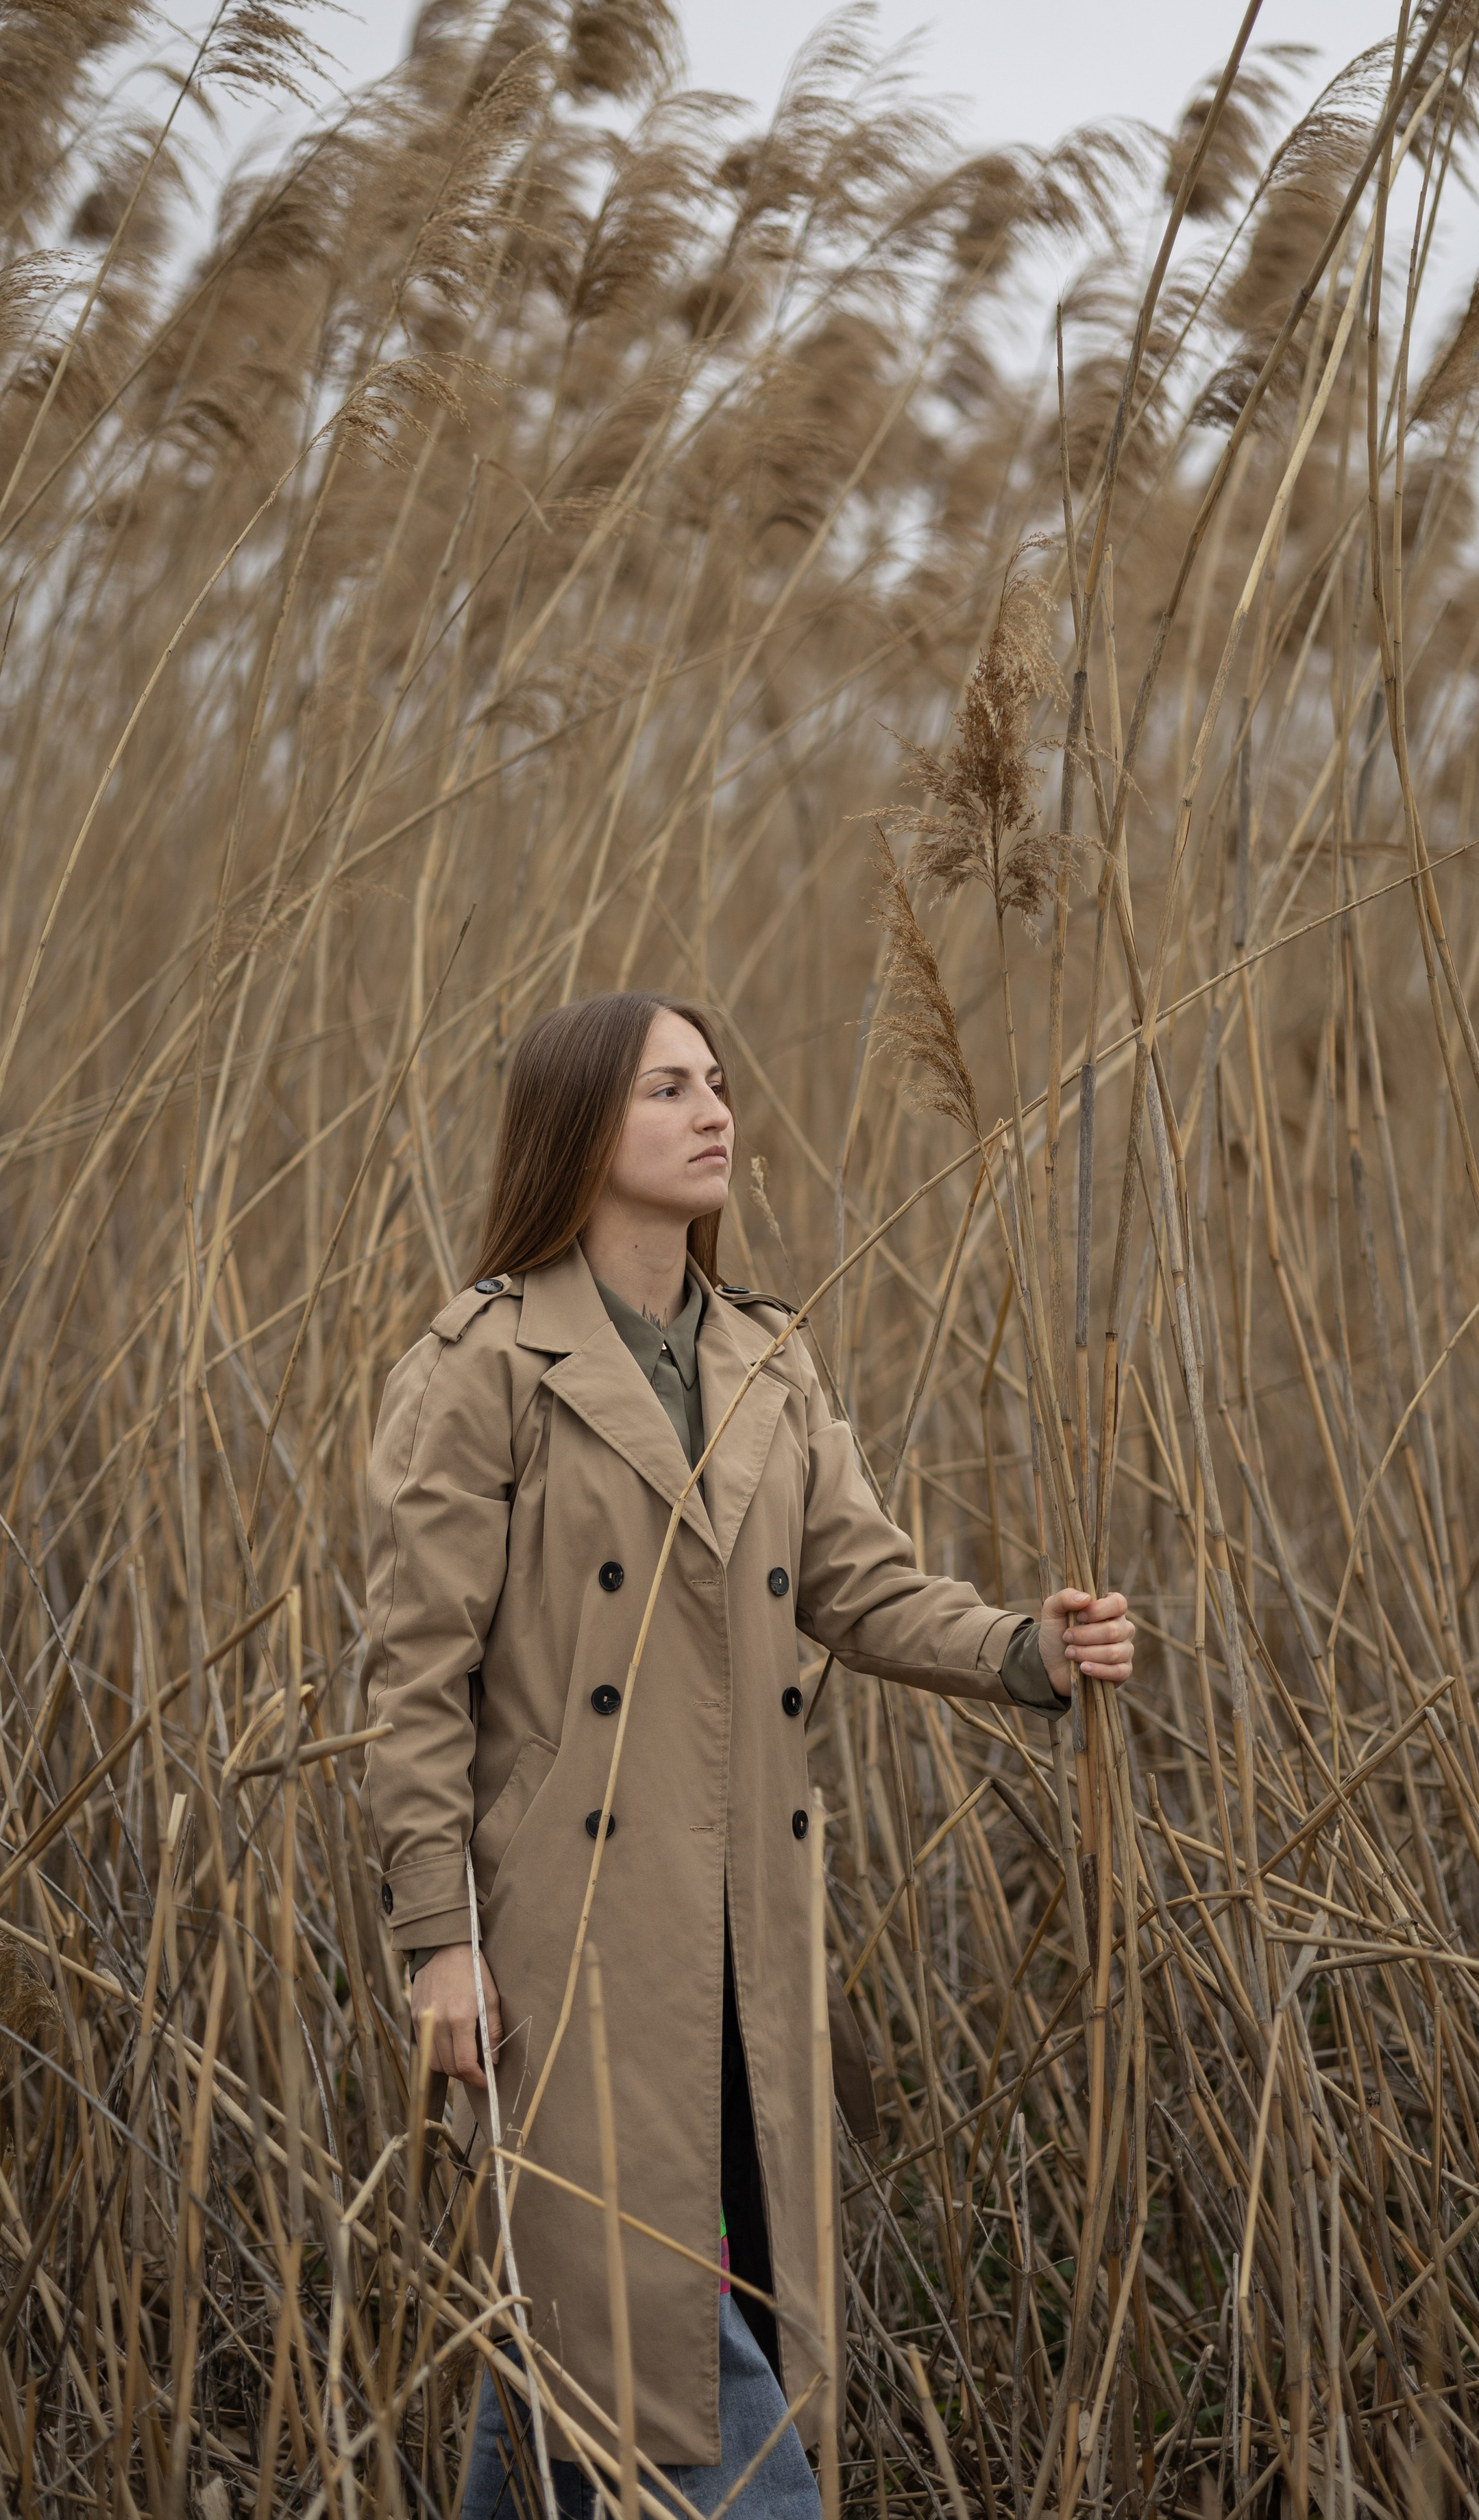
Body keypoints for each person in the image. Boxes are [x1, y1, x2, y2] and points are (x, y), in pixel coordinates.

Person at [361, 991, 1135, 2519]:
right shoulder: (485, 1365)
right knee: (650, 2339)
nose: (715, 1110)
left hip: (741, 1925)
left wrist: (1024, 1651)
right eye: (667, 1088)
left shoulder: (765, 1361)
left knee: (593, 2337)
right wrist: (439, 1943)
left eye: (717, 1081)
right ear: (580, 1126)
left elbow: (857, 1584)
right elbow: (413, 1679)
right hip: (566, 1931)